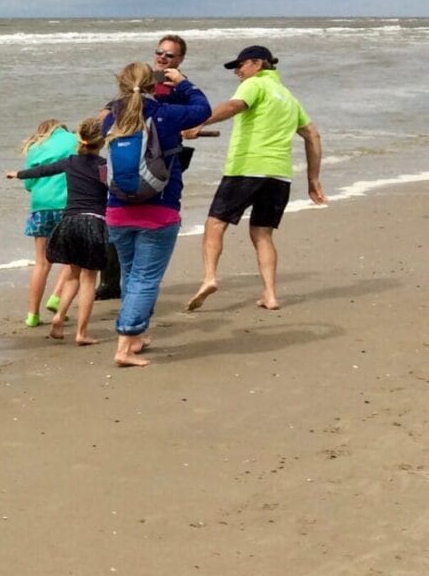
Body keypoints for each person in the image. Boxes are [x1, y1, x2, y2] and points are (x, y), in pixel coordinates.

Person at [185, 45, 325, 312]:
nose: (237, 71)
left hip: (247, 168)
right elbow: (313, 135)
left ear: (257, 64)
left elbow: (235, 106)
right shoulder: (288, 96)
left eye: (241, 65)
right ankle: (270, 295)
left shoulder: (255, 85)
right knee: (263, 234)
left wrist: (201, 123)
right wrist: (313, 179)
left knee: (215, 223)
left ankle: (210, 277)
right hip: (280, 175)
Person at [101, 63, 209, 366]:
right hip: (159, 210)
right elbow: (202, 109)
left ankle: (135, 337)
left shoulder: (111, 117)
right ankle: (124, 342)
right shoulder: (165, 115)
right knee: (145, 278)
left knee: (131, 274)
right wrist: (184, 83)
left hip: (118, 211)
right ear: (153, 85)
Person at [6, 116, 108, 345]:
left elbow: (43, 171)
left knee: (67, 271)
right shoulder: (103, 166)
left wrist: (18, 174)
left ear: (80, 139)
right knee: (88, 278)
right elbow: (113, 188)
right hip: (91, 222)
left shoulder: (69, 162)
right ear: (101, 143)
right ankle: (81, 333)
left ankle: (55, 317)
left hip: (67, 221)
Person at [16, 119, 79, 327]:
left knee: (42, 263)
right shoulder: (74, 140)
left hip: (41, 206)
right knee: (73, 257)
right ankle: (57, 296)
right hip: (69, 205)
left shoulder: (36, 147)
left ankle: (32, 315)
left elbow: (28, 183)